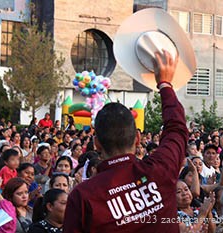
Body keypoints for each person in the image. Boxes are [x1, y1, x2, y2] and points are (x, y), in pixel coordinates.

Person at [64, 51, 188, 232]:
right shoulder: (160, 169)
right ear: (138, 139)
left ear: (96, 143)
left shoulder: (83, 196)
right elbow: (176, 129)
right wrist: (165, 84)